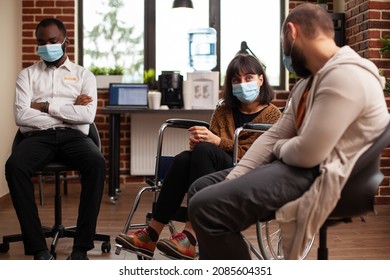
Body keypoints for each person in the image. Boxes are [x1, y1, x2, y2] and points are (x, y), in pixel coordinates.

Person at [187, 3, 390, 260]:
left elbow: (306, 153)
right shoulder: (307, 82)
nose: (286, 56)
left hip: (322, 175)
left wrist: (282, 147)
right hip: (293, 167)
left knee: (206, 208)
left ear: (292, 33)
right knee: (201, 189)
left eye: (285, 47)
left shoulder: (346, 75)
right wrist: (236, 176)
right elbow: (275, 134)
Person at [115, 53, 281, 259]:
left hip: (248, 170)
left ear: (261, 80)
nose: (242, 83)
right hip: (217, 167)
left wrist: (216, 142)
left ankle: (191, 235)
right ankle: (152, 234)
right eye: (236, 80)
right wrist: (200, 142)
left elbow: (258, 154)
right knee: (185, 158)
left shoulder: (273, 115)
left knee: (203, 151)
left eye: (248, 78)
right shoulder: (223, 110)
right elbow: (211, 147)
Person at [5, 18, 106, 260]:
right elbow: (21, 115)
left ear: (65, 43)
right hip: (37, 138)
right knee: (14, 166)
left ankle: (81, 247)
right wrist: (68, 111)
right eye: (41, 42)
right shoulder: (26, 76)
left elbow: (87, 115)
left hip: (75, 138)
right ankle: (38, 248)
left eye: (52, 41)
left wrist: (44, 106)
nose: (46, 46)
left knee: (97, 163)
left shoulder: (85, 75)